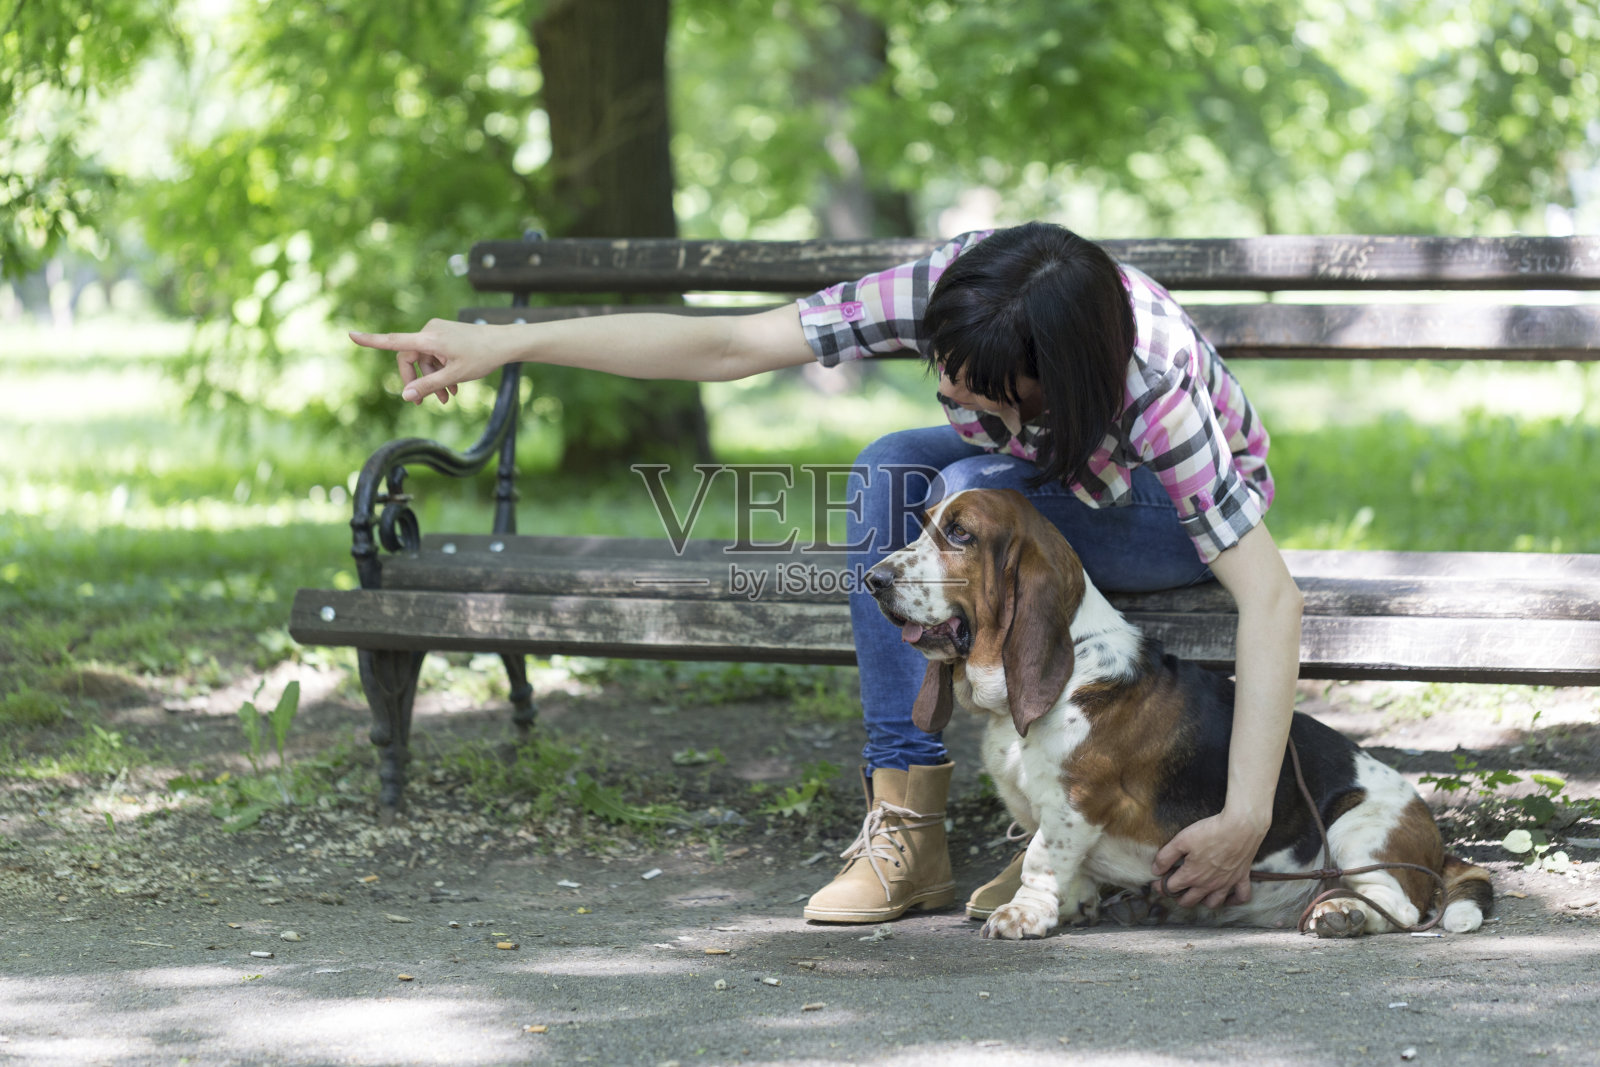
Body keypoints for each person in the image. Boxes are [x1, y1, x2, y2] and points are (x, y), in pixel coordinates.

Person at [350, 221, 1303, 927]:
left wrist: (1245, 816)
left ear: (1068, 380)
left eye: (1002, 402)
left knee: (969, 475)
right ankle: (907, 823)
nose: (971, 409)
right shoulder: (947, 292)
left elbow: (1268, 593)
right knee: (893, 462)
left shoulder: (1153, 379)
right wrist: (510, 341)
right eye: (955, 391)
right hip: (1028, 493)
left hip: (1157, 517)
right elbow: (729, 345)